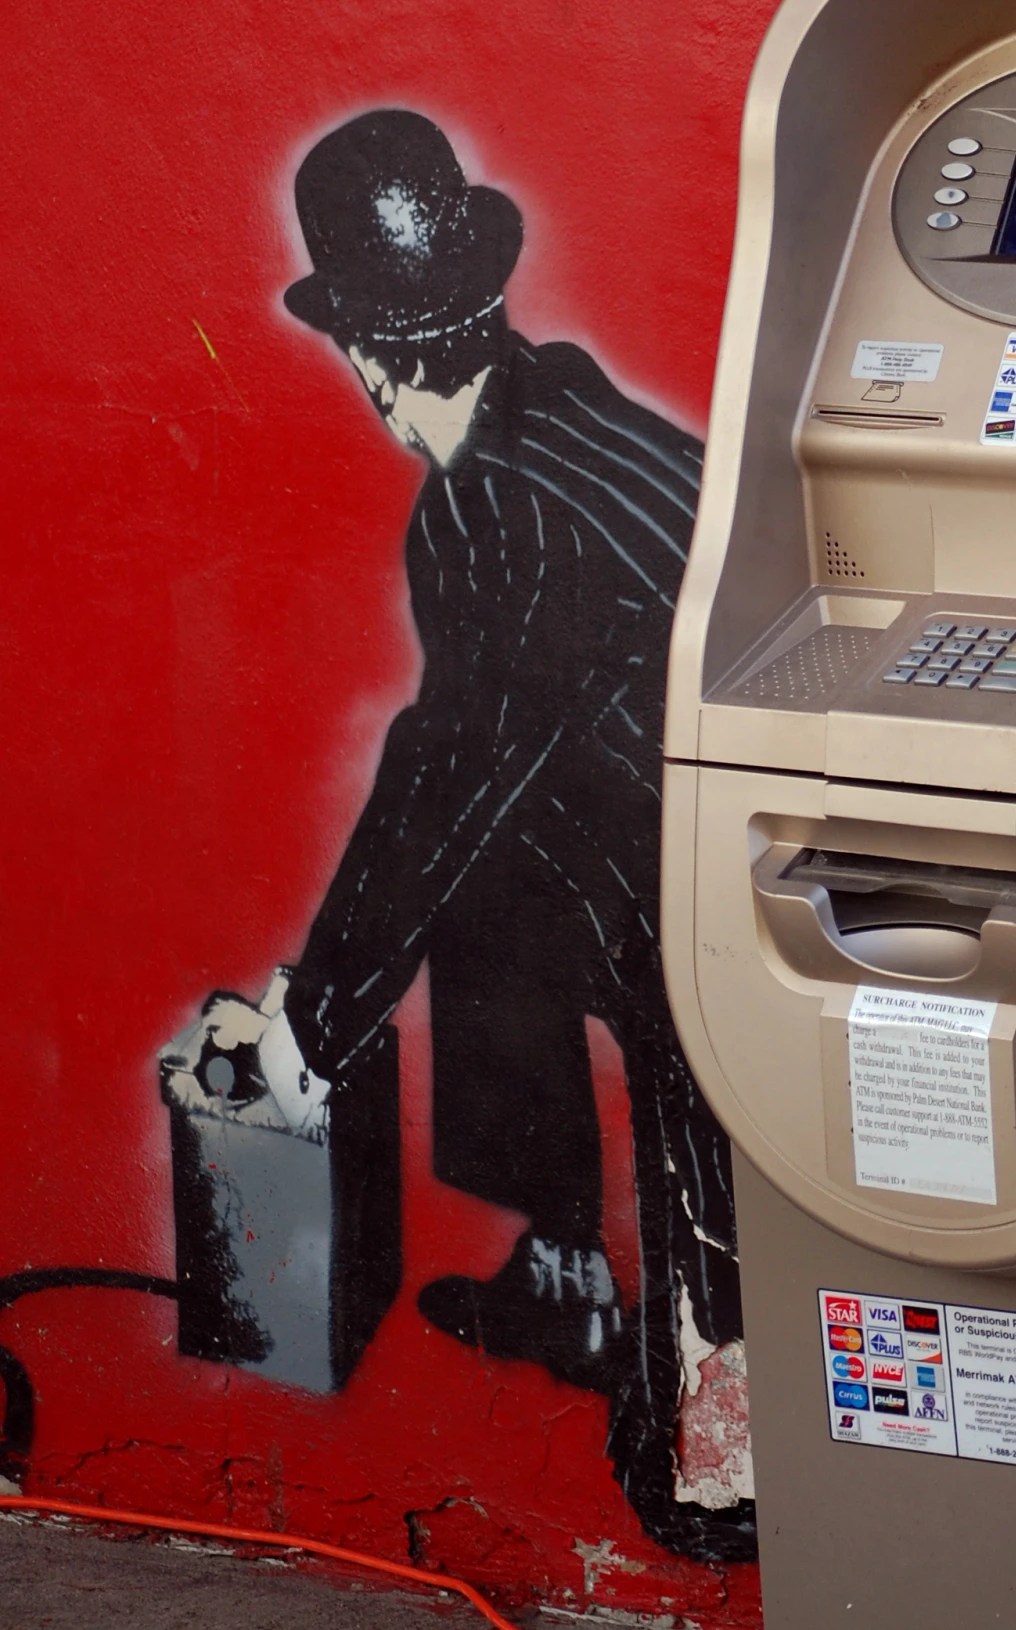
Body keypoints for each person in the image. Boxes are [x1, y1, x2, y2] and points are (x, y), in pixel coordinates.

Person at [256, 108, 753, 1562]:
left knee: (527, 902)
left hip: (716, 891)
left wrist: (310, 1024)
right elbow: (482, 770)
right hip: (714, 812)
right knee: (484, 896)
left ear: (368, 355)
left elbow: (445, 773)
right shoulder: (573, 406)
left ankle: (723, 1439)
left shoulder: (484, 515)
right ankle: (561, 1263)